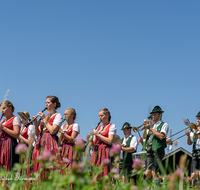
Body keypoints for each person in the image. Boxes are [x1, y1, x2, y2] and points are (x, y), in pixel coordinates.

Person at [32, 96, 63, 173]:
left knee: (49, 165)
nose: (46, 104)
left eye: (48, 102)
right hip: (41, 141)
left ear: (54, 104)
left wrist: (44, 120)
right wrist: (35, 124)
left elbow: (52, 131)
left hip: (50, 142)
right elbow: (37, 133)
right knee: (39, 165)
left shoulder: (58, 116)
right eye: (46, 103)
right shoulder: (45, 117)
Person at [142, 105, 168, 185]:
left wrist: (150, 128)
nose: (153, 116)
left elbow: (161, 136)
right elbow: (144, 136)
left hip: (158, 150)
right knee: (147, 173)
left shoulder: (164, 124)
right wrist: (145, 127)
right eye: (152, 114)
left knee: (154, 172)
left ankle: (157, 187)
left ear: (160, 115)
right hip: (149, 150)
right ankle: (150, 186)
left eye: (155, 114)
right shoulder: (152, 125)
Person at [90, 108, 116, 177]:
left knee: (103, 171)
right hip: (97, 150)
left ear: (107, 115)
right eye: (99, 116)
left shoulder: (112, 126)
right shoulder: (98, 127)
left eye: (101, 116)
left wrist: (98, 134)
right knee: (94, 171)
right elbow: (94, 144)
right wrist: (89, 139)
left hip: (105, 150)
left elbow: (110, 141)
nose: (100, 118)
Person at [0, 100, 20, 171]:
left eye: (4, 108)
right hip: (1, 145)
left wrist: (3, 128)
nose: (2, 110)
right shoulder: (2, 121)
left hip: (9, 144)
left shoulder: (15, 119)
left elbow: (16, 134)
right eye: (1, 109)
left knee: (8, 165)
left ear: (10, 108)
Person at [185, 111, 200, 187]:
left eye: (199, 119)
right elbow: (189, 143)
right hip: (195, 153)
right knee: (193, 174)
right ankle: (194, 186)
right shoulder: (194, 130)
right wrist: (188, 135)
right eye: (197, 119)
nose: (197, 120)